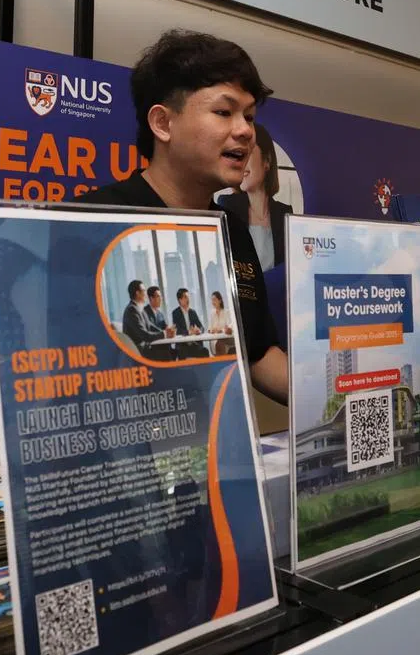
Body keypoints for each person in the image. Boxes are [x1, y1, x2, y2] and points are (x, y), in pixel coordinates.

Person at [88, 30, 289, 403]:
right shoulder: (89, 221)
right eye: (224, 112)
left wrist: (345, 393)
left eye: (249, 116)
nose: (246, 131)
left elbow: (259, 354)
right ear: (163, 123)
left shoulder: (234, 232)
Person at [219, 122, 294, 271]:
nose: (240, 162)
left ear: (266, 162)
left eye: (248, 153)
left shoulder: (284, 213)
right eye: (238, 155)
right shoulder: (227, 206)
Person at [120, 279, 159, 356]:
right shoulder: (132, 310)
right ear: (137, 293)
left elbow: (150, 326)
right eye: (144, 291)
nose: (145, 294)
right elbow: (144, 335)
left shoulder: (140, 308)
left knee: (167, 349)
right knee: (165, 352)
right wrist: (164, 334)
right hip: (139, 350)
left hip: (145, 347)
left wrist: (165, 332)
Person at [172, 287, 207, 359]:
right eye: (185, 297)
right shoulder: (175, 313)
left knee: (205, 351)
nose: (188, 299)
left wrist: (199, 330)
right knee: (181, 353)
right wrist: (189, 332)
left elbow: (202, 327)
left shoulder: (192, 312)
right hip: (183, 345)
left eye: (188, 297)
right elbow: (177, 331)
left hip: (194, 343)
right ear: (180, 300)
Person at [144, 285, 176, 361]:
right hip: (152, 348)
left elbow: (165, 327)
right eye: (158, 297)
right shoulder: (144, 312)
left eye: (160, 296)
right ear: (151, 298)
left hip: (163, 345)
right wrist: (165, 332)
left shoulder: (160, 314)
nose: (161, 299)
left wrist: (171, 329)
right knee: (168, 354)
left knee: (178, 352)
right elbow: (149, 330)